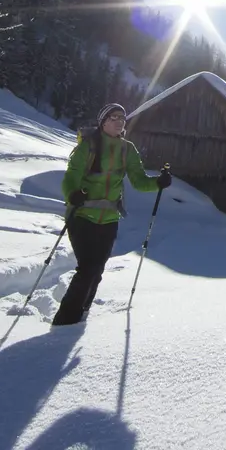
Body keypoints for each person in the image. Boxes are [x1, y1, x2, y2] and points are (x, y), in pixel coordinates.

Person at [52, 103, 172, 326]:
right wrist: (72, 194)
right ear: (103, 121)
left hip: (109, 219)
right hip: (81, 215)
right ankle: (65, 321)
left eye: (122, 118)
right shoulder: (88, 146)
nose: (119, 121)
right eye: (114, 117)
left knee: (97, 270)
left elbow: (139, 181)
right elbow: (72, 175)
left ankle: (82, 313)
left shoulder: (127, 149)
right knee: (87, 268)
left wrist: (159, 182)